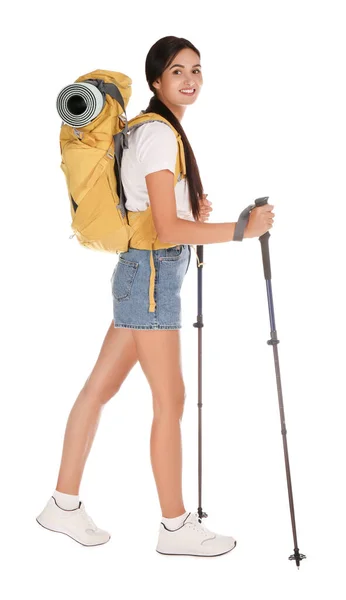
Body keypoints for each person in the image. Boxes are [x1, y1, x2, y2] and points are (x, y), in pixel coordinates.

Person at [36, 36, 274, 556]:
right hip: (150, 279)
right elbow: (166, 227)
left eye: (196, 69)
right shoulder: (160, 135)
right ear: (155, 82)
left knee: (98, 391)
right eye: (176, 71)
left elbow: (162, 216)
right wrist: (243, 228)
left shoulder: (153, 131)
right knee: (170, 401)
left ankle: (63, 504)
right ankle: (175, 528)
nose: (190, 79)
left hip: (141, 274)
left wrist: (193, 213)